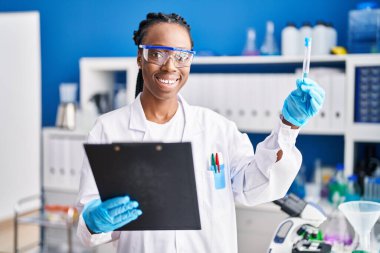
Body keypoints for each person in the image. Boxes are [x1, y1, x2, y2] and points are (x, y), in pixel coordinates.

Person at [76, 12, 325, 253]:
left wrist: (288, 125)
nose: (170, 66)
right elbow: (90, 226)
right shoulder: (108, 130)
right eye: (158, 54)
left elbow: (254, 188)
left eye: (182, 56)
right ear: (140, 58)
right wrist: (94, 222)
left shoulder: (217, 129)